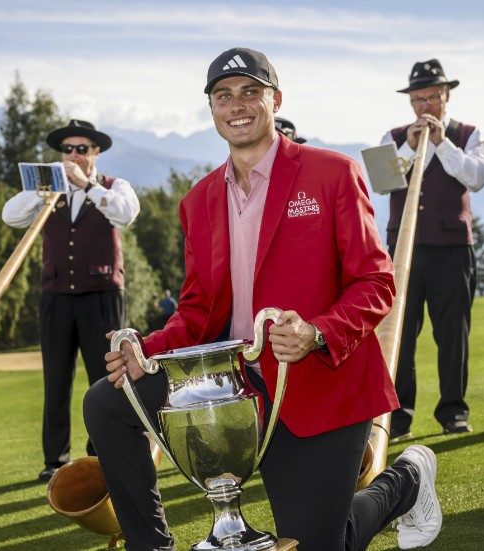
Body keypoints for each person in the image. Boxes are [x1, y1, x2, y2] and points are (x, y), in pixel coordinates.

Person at [84, 47, 442, 551]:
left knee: (321, 545)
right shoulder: (198, 201)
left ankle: (406, 479)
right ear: (212, 110)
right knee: (106, 399)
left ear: (275, 99)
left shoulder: (332, 173)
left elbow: (376, 282)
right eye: (223, 96)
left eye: (250, 91)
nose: (238, 105)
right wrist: (149, 350)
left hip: (319, 382)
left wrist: (317, 333)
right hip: (235, 386)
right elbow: (197, 310)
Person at [2, 119, 141, 481]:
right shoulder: (50, 191)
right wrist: (43, 189)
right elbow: (10, 215)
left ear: (95, 153)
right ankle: (55, 461)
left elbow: (125, 214)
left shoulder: (114, 186)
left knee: (106, 377)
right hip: (56, 295)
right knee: (56, 378)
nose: (73, 156)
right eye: (67, 150)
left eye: (81, 149)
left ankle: (103, 454)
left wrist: (89, 186)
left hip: (102, 295)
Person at [379, 59, 484, 440]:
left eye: (432, 98)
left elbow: (476, 177)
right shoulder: (392, 136)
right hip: (402, 251)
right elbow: (380, 183)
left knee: (453, 334)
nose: (425, 107)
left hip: (452, 248)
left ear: (447, 96)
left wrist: (442, 143)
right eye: (418, 99)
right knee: (399, 334)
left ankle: (453, 412)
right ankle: (398, 418)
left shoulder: (469, 134)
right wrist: (410, 149)